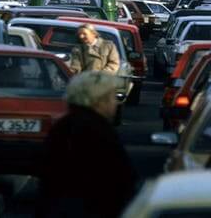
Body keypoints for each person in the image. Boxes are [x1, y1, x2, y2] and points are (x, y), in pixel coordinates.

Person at [38, 71, 138, 218]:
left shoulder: (62, 126)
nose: (115, 103)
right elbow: (120, 178)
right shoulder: (99, 130)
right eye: (112, 97)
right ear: (98, 100)